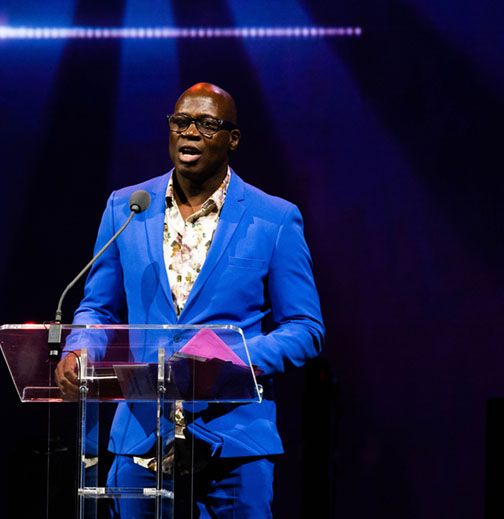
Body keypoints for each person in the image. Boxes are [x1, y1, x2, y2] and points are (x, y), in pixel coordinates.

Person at [55, 83, 324, 518]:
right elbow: (98, 307)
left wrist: (232, 361)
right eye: (181, 122)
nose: (190, 132)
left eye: (207, 124)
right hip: (141, 436)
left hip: (233, 440)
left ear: (233, 138)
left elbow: (305, 329)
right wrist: (79, 349)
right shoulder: (127, 208)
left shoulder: (274, 218)